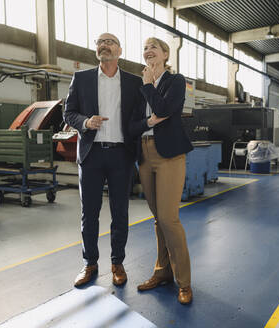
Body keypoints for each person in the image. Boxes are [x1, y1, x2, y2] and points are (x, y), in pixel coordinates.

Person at [63, 33, 144, 287]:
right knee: (90, 213)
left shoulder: (134, 82)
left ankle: (117, 262)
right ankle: (90, 263)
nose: (103, 45)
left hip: (121, 154)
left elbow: (139, 117)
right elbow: (68, 112)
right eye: (100, 42)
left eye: (109, 42)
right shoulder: (82, 78)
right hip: (91, 154)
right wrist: (85, 122)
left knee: (120, 212)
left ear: (120, 50)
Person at [133, 37, 194, 304]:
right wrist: (148, 120)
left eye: (153, 47)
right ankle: (162, 272)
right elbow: (132, 123)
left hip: (168, 153)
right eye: (145, 48)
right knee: (158, 218)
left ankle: (184, 282)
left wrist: (148, 86)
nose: (148, 51)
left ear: (165, 54)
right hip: (144, 153)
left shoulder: (175, 81)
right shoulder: (139, 86)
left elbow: (166, 109)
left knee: (169, 218)